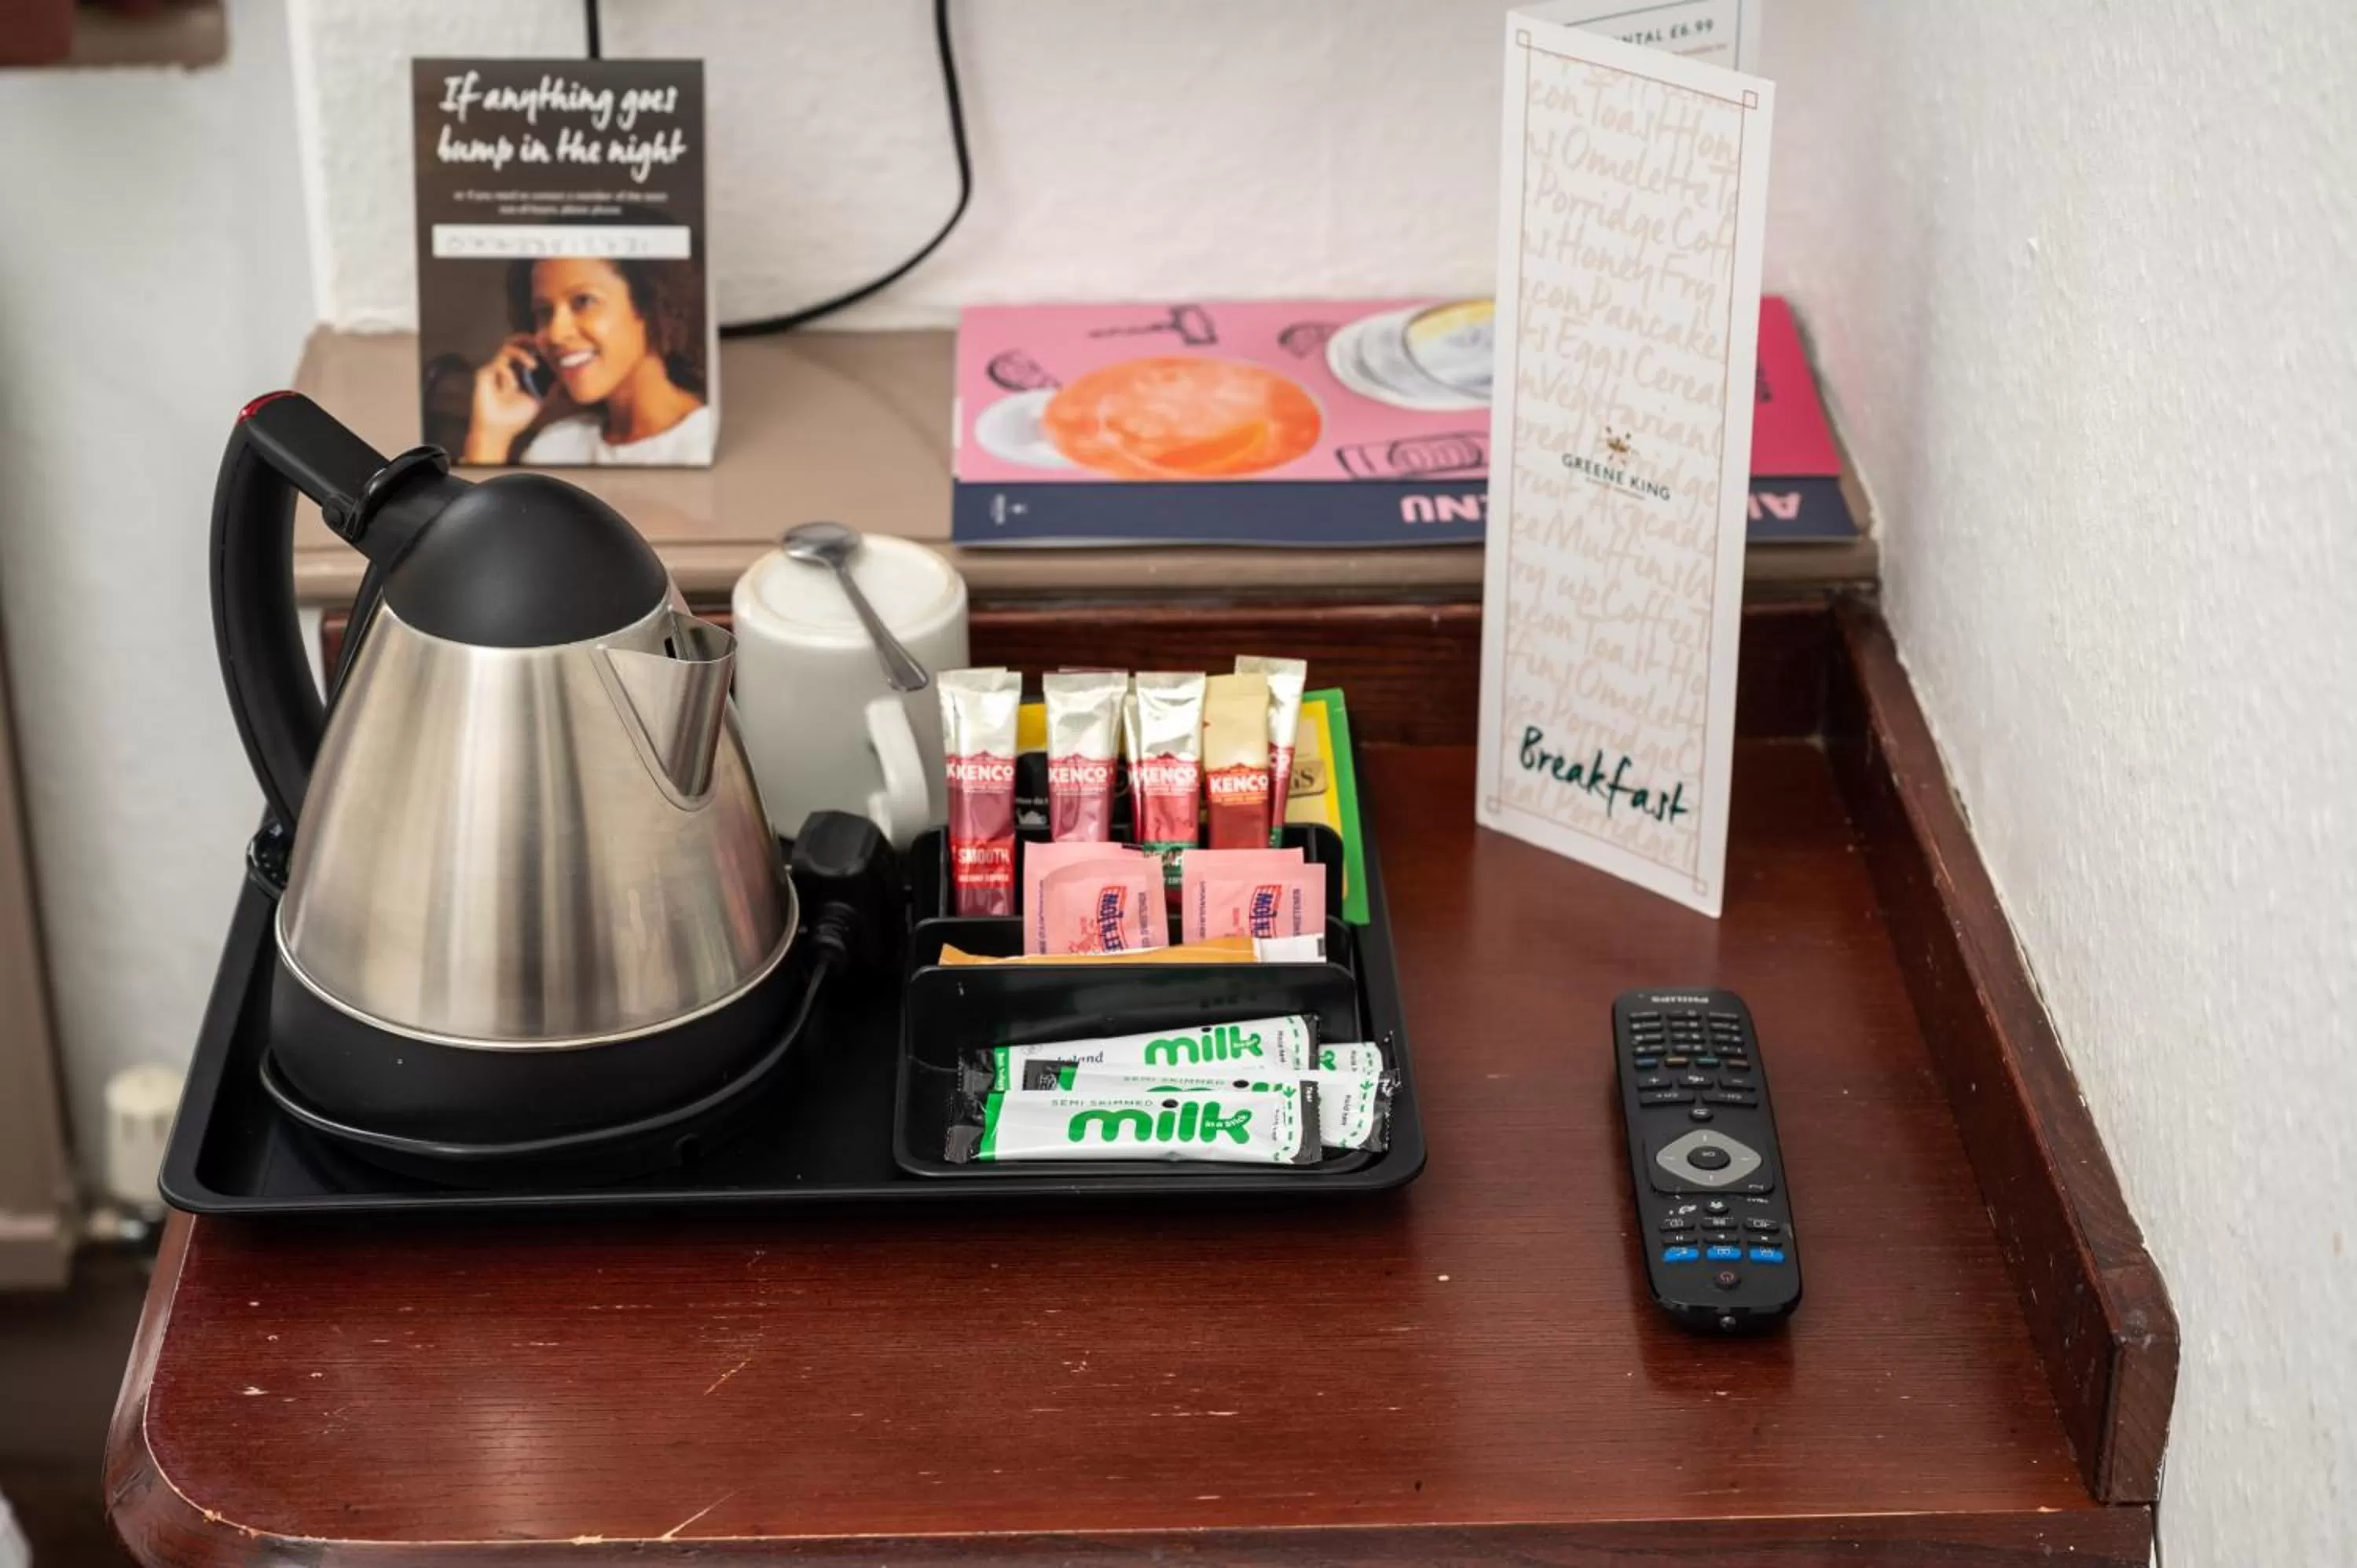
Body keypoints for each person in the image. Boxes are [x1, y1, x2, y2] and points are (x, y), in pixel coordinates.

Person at [461, 255, 713, 465]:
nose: (556, 334)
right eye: (544, 312)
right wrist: (490, 436)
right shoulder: (557, 447)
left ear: (653, 306)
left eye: (584, 301)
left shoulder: (706, 442)